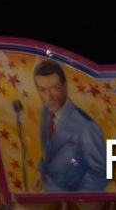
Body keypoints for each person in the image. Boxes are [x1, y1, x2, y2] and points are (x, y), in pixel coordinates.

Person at [33, 60, 107, 193]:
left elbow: (100, 174)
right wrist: (42, 170)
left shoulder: (87, 127)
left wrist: (75, 202)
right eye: (43, 90)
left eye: (55, 88)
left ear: (65, 87)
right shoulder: (46, 112)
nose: (49, 97)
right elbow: (50, 149)